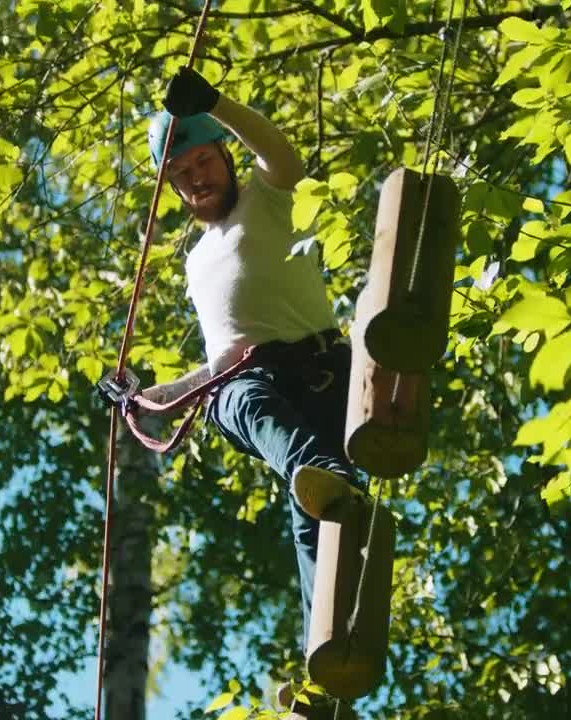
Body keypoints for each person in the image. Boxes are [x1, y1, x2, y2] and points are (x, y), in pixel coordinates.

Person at [132, 67, 364, 714]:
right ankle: (329, 678)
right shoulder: (196, 262)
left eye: (202, 160)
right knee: (305, 501)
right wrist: (144, 394)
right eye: (180, 174)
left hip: (327, 373)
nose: (195, 179)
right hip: (256, 386)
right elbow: (218, 366)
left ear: (224, 156)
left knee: (301, 472)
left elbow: (281, 152)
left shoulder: (268, 197)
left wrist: (215, 104)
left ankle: (319, 471)